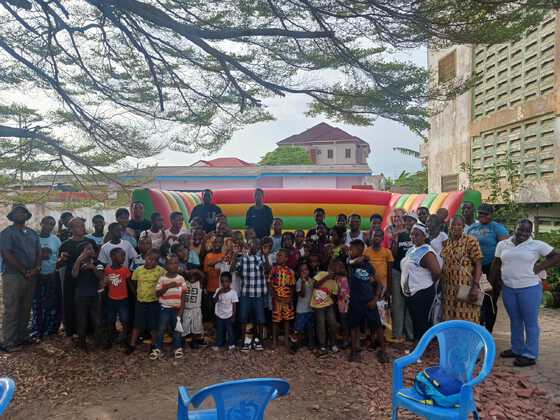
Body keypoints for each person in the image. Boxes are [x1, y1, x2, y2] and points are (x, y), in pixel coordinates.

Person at [493, 219, 560, 367]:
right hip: (509, 288)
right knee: (515, 320)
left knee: (530, 322)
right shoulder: (503, 244)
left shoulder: (536, 245)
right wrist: (492, 284)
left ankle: (530, 354)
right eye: (520, 229)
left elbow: (557, 255)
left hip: (529, 288)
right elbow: (496, 264)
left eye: (527, 231)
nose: (523, 233)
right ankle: (517, 349)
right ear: (515, 228)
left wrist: (540, 267)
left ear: (531, 232)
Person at [0, 204, 41, 351]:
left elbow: (39, 251)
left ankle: (23, 336)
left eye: (23, 212)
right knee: (12, 308)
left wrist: (36, 268)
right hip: (13, 276)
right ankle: (9, 342)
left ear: (26, 215)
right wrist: (24, 270)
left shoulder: (32, 233)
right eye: (17, 212)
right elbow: (7, 253)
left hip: (31, 276)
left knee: (26, 307)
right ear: (12, 216)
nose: (20, 214)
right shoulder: (7, 233)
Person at [467, 203, 508, 332]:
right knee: (474, 299)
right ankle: (476, 327)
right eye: (480, 213)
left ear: (492, 215)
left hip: (490, 270)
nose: (482, 216)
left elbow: (505, 250)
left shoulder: (498, 228)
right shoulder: (472, 228)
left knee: (488, 300)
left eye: (486, 214)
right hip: (473, 269)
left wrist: (495, 274)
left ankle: (488, 330)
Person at [347, 239, 388, 363]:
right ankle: (354, 351)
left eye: (351, 249)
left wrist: (375, 299)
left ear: (359, 250)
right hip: (355, 301)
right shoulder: (351, 262)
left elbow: (379, 284)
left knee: (378, 326)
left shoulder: (369, 266)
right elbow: (353, 261)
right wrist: (362, 258)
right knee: (353, 326)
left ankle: (383, 351)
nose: (349, 251)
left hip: (369, 301)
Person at [400, 224, 441, 341]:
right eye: (412, 234)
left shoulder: (427, 252)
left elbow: (437, 272)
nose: (413, 237)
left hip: (422, 293)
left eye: (417, 235)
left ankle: (423, 348)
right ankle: (418, 346)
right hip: (411, 293)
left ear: (424, 236)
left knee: (421, 323)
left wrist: (427, 284)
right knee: (416, 321)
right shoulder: (411, 249)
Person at [58, 217, 97, 338]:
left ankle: (90, 330)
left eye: (82, 225)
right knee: (71, 303)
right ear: (71, 229)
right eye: (78, 225)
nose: (82, 228)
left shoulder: (91, 242)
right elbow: (59, 265)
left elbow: (96, 259)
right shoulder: (65, 244)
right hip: (72, 278)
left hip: (88, 278)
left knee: (89, 303)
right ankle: (72, 329)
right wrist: (62, 260)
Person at [440, 216, 483, 323]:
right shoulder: (446, 243)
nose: (455, 227)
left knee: (467, 317)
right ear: (449, 227)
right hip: (448, 290)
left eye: (459, 225)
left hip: (466, 287)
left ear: (463, 227)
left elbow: (478, 264)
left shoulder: (471, 241)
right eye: (453, 225)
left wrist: (475, 286)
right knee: (450, 319)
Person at [126, 249, 166, 354]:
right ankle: (132, 344)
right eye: (150, 259)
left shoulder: (161, 271)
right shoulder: (138, 270)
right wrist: (136, 293)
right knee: (137, 324)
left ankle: (153, 345)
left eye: (155, 260)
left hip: (154, 302)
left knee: (153, 325)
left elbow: (165, 282)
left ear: (157, 261)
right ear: (145, 258)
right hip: (140, 302)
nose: (152, 261)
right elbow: (134, 282)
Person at [31, 216, 62, 340]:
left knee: (50, 303)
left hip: (51, 275)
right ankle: (37, 329)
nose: (49, 226)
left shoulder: (55, 240)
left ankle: (48, 329)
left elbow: (58, 257)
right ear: (41, 223)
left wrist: (56, 267)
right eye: (47, 223)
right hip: (36, 276)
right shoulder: (34, 239)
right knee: (37, 303)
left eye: (52, 224)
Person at [152, 255, 188, 360]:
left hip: (177, 309)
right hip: (164, 308)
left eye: (176, 263)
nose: (174, 265)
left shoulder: (181, 279)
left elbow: (183, 296)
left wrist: (181, 311)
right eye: (171, 263)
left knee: (177, 330)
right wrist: (167, 287)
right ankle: (158, 348)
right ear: (166, 266)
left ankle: (177, 348)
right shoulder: (162, 279)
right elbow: (157, 294)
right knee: (161, 329)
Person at [236, 238, 268, 351]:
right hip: (246, 293)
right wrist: (235, 255)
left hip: (258, 293)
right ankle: (245, 341)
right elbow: (235, 270)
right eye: (252, 244)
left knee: (260, 319)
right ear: (248, 247)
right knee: (244, 318)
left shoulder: (262, 257)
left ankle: (258, 340)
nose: (255, 246)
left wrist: (265, 255)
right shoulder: (242, 259)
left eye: (257, 245)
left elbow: (267, 269)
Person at [71, 241, 104, 351]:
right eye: (88, 249)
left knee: (97, 320)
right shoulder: (78, 263)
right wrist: (78, 260)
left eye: (92, 248)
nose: (91, 250)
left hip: (94, 295)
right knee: (81, 320)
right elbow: (74, 275)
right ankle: (82, 342)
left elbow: (101, 277)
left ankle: (98, 341)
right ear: (81, 252)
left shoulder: (97, 263)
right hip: (80, 296)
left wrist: (92, 267)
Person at [390, 212, 415, 342]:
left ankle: (410, 335)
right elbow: (394, 254)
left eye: (411, 220)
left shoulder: (420, 235)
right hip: (398, 272)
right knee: (398, 303)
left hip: (413, 274)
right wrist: (395, 239)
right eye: (407, 220)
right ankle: (397, 334)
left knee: (410, 303)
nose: (409, 223)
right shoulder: (400, 235)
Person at [103, 248, 132, 344]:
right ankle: (110, 336)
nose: (124, 258)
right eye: (122, 255)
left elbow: (129, 283)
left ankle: (124, 334)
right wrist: (104, 296)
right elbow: (105, 285)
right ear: (112, 257)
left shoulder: (125, 270)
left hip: (123, 299)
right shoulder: (107, 270)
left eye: (124, 255)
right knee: (110, 318)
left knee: (124, 318)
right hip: (111, 299)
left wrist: (136, 294)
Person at [269, 248, 296, 348]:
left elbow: (292, 286)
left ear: (286, 258)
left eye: (280, 255)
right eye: (277, 255)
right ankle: (274, 341)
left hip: (287, 300)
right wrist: (275, 296)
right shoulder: (274, 269)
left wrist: (290, 297)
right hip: (277, 299)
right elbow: (269, 284)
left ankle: (286, 340)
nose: (277, 257)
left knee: (287, 320)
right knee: (275, 320)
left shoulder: (291, 272)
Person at [310, 270, 339, 357]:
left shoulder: (334, 282)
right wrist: (326, 277)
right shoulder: (322, 274)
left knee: (333, 324)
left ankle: (333, 343)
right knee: (321, 325)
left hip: (328, 305)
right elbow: (315, 285)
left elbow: (333, 296)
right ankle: (322, 345)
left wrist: (330, 304)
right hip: (318, 306)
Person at [291, 262, 315, 352]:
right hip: (301, 310)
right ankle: (295, 345)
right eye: (302, 270)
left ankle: (310, 344)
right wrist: (303, 282)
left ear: (309, 271)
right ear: (299, 272)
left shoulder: (312, 281)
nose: (304, 272)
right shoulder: (299, 282)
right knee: (298, 328)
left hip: (311, 309)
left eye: (306, 269)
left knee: (310, 327)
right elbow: (302, 294)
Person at [213, 272, 239, 351]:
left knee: (230, 331)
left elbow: (234, 305)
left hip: (229, 315)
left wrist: (234, 316)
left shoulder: (233, 292)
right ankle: (219, 344)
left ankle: (231, 344)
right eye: (222, 281)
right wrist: (218, 293)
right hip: (219, 315)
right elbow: (214, 301)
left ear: (230, 282)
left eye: (226, 281)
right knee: (220, 331)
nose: (224, 283)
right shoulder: (218, 290)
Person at [364, 229, 394, 293]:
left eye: (379, 236)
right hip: (369, 284)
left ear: (382, 238)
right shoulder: (366, 251)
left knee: (381, 299)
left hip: (383, 284)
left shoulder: (387, 252)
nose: (376, 238)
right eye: (375, 236)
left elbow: (389, 272)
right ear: (372, 237)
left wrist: (389, 289)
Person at [182, 269, 205, 349]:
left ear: (197, 277)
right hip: (186, 309)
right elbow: (182, 272)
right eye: (190, 276)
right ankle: (183, 342)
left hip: (196, 309)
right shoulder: (185, 283)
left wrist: (195, 270)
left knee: (196, 326)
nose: (192, 277)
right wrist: (187, 272)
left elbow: (202, 276)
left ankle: (194, 341)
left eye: (194, 276)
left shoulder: (199, 283)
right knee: (184, 326)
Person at [331, 259, 350, 349]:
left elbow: (344, 293)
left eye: (337, 267)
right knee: (339, 321)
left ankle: (345, 340)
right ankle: (340, 339)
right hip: (338, 302)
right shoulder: (335, 277)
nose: (334, 268)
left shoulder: (343, 278)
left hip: (343, 304)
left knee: (344, 322)